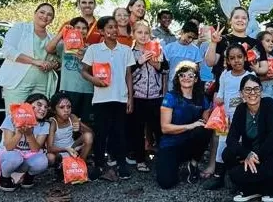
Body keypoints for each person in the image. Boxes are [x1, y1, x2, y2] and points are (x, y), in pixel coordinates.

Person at [80, 16, 136, 181]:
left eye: (115, 27)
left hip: (120, 98)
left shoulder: (125, 50)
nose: (113, 31)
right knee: (101, 132)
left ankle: (121, 164)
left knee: (119, 132)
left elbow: (128, 75)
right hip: (101, 99)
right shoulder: (94, 50)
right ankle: (99, 164)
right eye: (109, 28)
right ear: (101, 31)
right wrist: (94, 80)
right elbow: (84, 71)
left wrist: (130, 98)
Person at [222, 75, 273, 202]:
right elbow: (231, 139)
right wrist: (246, 154)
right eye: (247, 89)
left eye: (256, 89)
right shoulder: (241, 109)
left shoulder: (268, 104)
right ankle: (253, 189)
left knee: (240, 174)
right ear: (241, 93)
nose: (252, 93)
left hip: (271, 155)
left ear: (261, 91)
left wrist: (255, 156)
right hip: (253, 154)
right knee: (228, 155)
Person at [204, 44, 256, 190]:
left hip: (244, 119)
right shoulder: (225, 75)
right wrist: (219, 99)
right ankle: (219, 177)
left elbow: (254, 98)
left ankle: (238, 178)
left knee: (241, 147)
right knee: (222, 145)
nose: (236, 61)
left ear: (245, 58)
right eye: (232, 58)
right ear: (227, 60)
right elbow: (220, 93)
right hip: (226, 120)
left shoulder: (249, 76)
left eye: (240, 57)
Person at [156, 61, 213, 189]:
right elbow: (165, 128)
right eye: (182, 75)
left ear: (196, 79)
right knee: (166, 183)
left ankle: (193, 163)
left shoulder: (202, 98)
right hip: (170, 145)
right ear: (177, 78)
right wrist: (190, 125)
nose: (186, 78)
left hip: (189, 143)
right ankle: (174, 164)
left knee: (204, 130)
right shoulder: (171, 97)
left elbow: (206, 123)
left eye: (190, 75)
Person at [0, 3, 58, 112]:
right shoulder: (20, 28)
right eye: (42, 12)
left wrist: (51, 64)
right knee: (16, 118)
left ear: (52, 20)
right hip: (18, 83)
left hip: (42, 84)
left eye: (49, 15)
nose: (45, 16)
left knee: (37, 120)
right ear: (35, 13)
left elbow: (57, 61)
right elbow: (8, 50)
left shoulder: (52, 37)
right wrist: (34, 61)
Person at [127, 20, 169, 172]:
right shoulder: (130, 53)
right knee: (137, 130)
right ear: (133, 34)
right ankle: (140, 160)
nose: (143, 36)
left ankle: (163, 158)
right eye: (139, 32)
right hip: (137, 97)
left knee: (158, 129)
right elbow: (126, 74)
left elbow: (165, 70)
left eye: (146, 33)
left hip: (155, 97)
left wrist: (157, 64)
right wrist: (139, 62)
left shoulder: (157, 49)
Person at [0, 94, 51, 192]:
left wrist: (29, 134)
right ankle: (5, 178)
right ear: (27, 106)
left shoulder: (44, 125)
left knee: (43, 161)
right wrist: (19, 132)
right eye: (39, 105)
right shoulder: (11, 118)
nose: (43, 109)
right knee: (14, 158)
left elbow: (35, 149)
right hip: (8, 156)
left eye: (45, 107)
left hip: (27, 158)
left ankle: (28, 176)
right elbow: (8, 147)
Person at [45, 17, 95, 125]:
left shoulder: (92, 49)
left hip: (87, 91)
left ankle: (84, 142)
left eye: (84, 28)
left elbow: (95, 70)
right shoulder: (64, 46)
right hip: (68, 89)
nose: (81, 31)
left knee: (85, 123)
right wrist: (62, 32)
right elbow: (49, 48)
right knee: (67, 122)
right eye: (77, 28)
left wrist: (84, 59)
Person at [204, 7, 269, 83]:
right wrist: (213, 42)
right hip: (224, 89)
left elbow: (265, 68)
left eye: (244, 18)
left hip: (249, 90)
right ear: (230, 21)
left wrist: (257, 70)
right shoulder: (222, 40)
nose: (240, 20)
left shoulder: (256, 43)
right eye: (236, 17)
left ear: (248, 21)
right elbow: (210, 63)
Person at [45, 93, 96, 180]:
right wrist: (66, 149)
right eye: (62, 107)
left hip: (73, 148)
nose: (66, 110)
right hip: (59, 152)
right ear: (54, 110)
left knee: (88, 136)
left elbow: (91, 134)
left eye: (69, 107)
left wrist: (81, 127)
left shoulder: (72, 117)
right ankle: (60, 168)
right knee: (50, 157)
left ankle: (80, 166)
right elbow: (50, 148)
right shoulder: (53, 122)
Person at [164, 21, 203, 90]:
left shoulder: (195, 50)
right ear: (182, 32)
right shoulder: (169, 48)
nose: (190, 40)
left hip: (189, 88)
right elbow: (165, 71)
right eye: (189, 37)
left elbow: (197, 71)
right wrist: (164, 89)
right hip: (171, 87)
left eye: (193, 39)